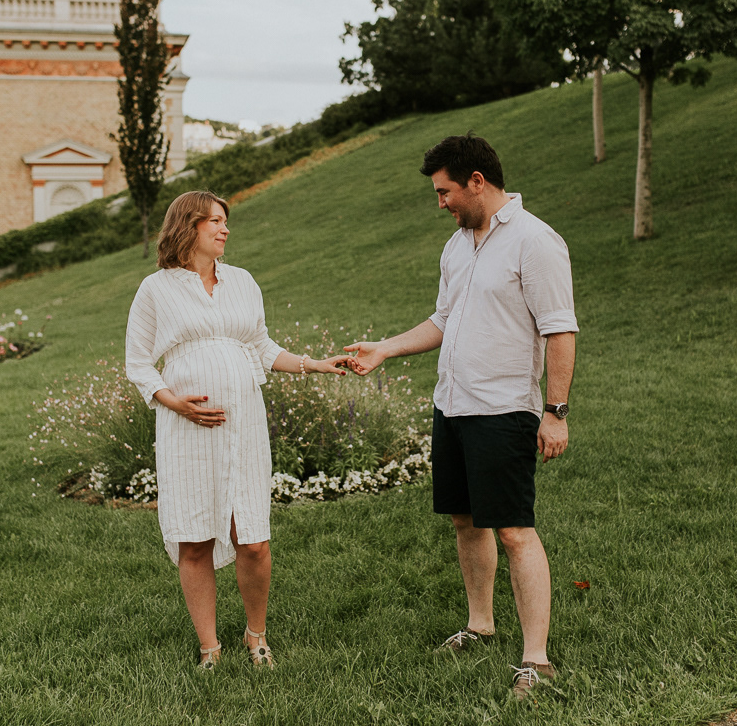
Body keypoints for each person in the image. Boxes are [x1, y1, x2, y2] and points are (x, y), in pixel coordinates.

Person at [345, 134, 578, 700]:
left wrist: (555, 412)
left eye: (444, 191)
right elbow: (443, 320)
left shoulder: (535, 241)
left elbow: (560, 330)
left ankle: (537, 660)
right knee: (465, 521)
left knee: (514, 530)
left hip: (503, 410)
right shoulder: (457, 246)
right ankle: (480, 624)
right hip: (453, 403)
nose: (441, 203)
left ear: (477, 181)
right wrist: (386, 348)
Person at [125, 190, 351, 670]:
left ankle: (256, 634)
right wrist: (174, 402)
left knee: (252, 537)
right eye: (215, 221)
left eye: (225, 221)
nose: (225, 229)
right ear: (188, 225)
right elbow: (138, 362)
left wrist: (314, 364)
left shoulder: (243, 281)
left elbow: (262, 347)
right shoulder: (156, 289)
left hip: (244, 422)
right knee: (194, 538)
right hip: (186, 428)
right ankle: (209, 646)